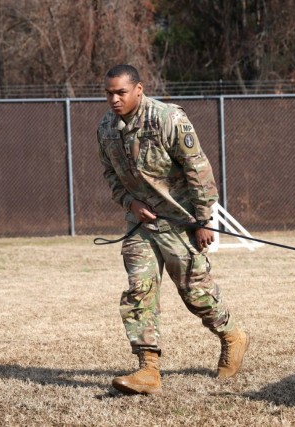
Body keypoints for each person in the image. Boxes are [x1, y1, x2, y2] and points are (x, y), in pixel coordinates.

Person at [97, 64, 249, 395]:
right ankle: (148, 369)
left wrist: (204, 219)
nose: (114, 99)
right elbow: (110, 173)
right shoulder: (107, 128)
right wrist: (130, 202)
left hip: (180, 222)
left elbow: (198, 168)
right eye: (109, 93)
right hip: (141, 225)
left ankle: (232, 335)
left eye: (121, 92)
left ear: (139, 89)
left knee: (194, 292)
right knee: (139, 290)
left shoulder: (168, 119)